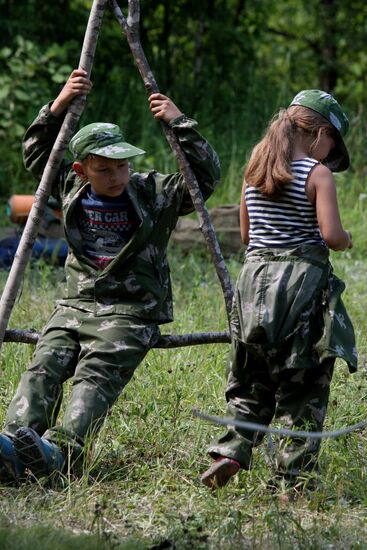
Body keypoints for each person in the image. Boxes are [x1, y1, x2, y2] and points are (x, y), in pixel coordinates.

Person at [0, 69, 221, 482]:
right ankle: (15, 444)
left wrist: (180, 122)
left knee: (95, 373)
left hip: (131, 311)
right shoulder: (68, 186)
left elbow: (204, 178)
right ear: (82, 170)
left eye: (122, 166)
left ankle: (61, 452)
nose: (117, 176)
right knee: (43, 365)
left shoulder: (153, 192)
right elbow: (37, 152)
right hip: (76, 305)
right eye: (105, 169)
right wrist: (59, 104)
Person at [201, 90, 357, 492]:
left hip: (252, 285)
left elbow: (246, 234)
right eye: (331, 145)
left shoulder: (254, 167)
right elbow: (332, 236)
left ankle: (232, 449)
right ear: (321, 133)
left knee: (253, 377)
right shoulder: (316, 174)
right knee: (303, 384)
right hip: (300, 287)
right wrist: (348, 239)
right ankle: (294, 478)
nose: (329, 155)